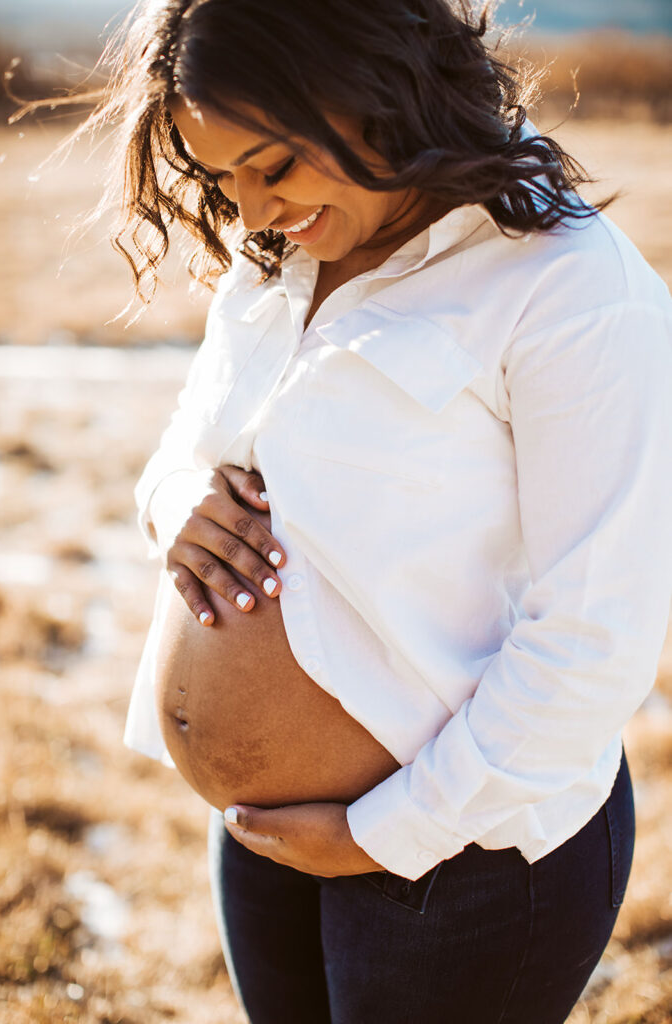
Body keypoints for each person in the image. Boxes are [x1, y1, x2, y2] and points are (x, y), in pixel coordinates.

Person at [84, 0, 671, 1021]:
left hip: (461, 855)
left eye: (272, 165)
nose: (251, 210)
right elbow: (194, 436)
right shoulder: (286, 251)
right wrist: (176, 500)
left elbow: (593, 639)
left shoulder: (567, 288)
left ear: (370, 90)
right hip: (263, 837)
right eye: (220, 175)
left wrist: (376, 834)